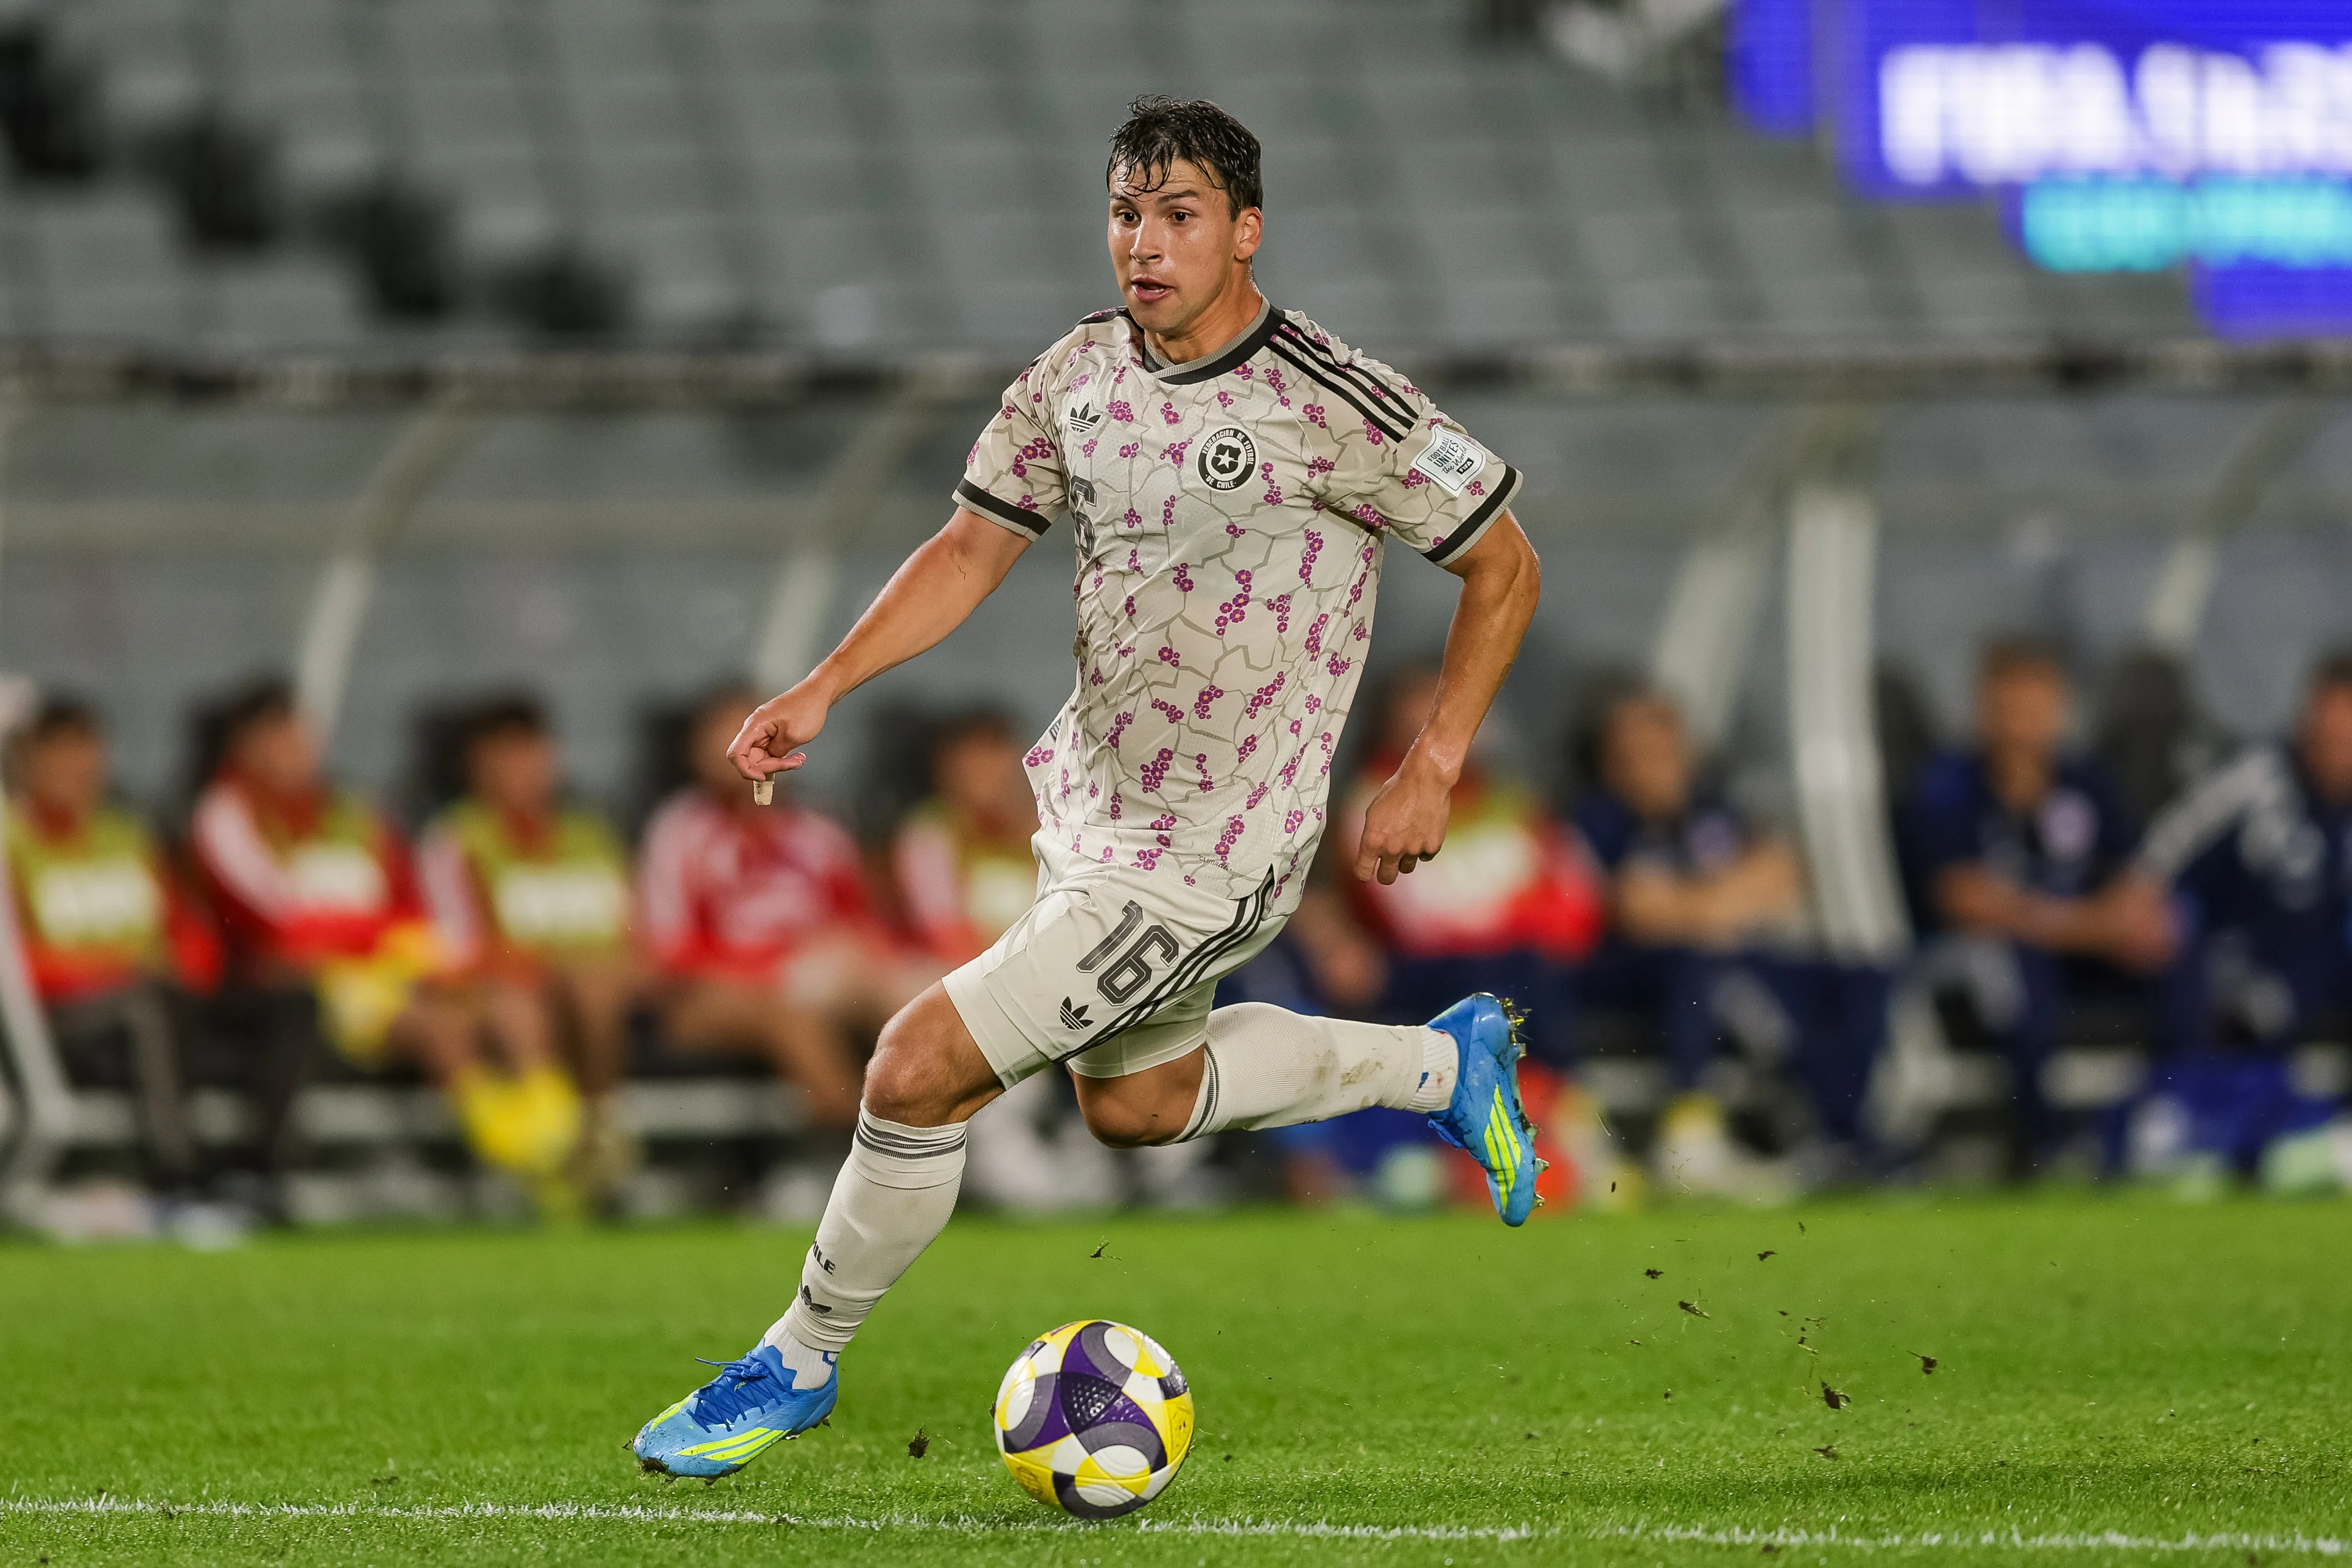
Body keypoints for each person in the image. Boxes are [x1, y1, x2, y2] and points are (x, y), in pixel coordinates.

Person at [630, 95, 1545, 1478]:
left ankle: (797, 1362)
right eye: (1125, 214)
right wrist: (822, 684)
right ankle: (1441, 1062)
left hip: (1215, 851)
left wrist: (1431, 767)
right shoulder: (1074, 375)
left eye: (1177, 215)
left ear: (1245, 232)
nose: (1143, 242)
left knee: (914, 1067)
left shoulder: (1328, 397)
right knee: (1132, 1105)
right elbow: (964, 548)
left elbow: (1504, 563)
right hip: (1095, 818)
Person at [190, 679, 580, 1198]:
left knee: (509, 1002)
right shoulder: (226, 814)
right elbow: (272, 921)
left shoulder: (356, 814)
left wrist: (409, 950)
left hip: (389, 969)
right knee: (440, 1029)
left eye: (299, 736)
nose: (296, 751)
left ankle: (557, 1132)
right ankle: (517, 1156)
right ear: (247, 747)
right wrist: (371, 934)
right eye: (279, 738)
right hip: (310, 986)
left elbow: (409, 907)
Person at [1573, 684, 1878, 1194]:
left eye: (1664, 749)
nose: (1654, 764)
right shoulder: (1599, 821)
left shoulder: (1712, 811)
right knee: (1701, 967)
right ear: (1611, 760)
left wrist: (1694, 907)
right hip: (1637, 973)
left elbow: (1783, 874)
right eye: (1638, 753)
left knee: (1861, 975)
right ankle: (1691, 1130)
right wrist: (1725, 903)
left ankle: (1852, 1137)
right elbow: (1633, 910)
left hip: (1736, 956)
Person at [1900, 640, 2171, 1170]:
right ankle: (2046, 1147)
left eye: (2037, 708)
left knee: (2173, 953)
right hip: (1967, 958)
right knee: (2019, 970)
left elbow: (2133, 878)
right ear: (1985, 710)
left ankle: (2171, 1126)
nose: (2024, 725)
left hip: (2077, 948)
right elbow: (1965, 899)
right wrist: (2087, 925)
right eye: (2011, 709)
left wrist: (2125, 922)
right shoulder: (1949, 784)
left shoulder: (2087, 781)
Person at [637, 684, 919, 1129]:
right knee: (790, 1017)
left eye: (761, 729)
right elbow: (671, 954)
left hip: (818, 978)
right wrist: (782, 969)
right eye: (729, 731)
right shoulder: (680, 830)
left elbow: (862, 925)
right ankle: (852, 1152)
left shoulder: (820, 828)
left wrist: (858, 957)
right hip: (708, 995)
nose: (748, 743)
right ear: (698, 749)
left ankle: (972, 1133)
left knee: (912, 993)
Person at [2123, 652, 2352, 1193]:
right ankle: (2193, 1137)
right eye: (2328, 728)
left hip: (2323, 962)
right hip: (2239, 955)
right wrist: (2138, 909)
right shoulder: (2255, 778)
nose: (2337, 747)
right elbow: (2159, 860)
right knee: (2233, 996)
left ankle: (2323, 1142)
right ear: (2307, 718)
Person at [419, 697, 640, 1200]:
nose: (521, 769)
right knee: (543, 998)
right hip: (515, 996)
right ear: (477, 766)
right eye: (505, 756)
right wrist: (550, 967)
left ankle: (587, 1137)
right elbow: (459, 946)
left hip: (605, 989)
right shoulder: (459, 841)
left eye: (531, 752)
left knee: (593, 984)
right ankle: (580, 1139)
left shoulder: (591, 836)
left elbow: (638, 932)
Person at [4, 698, 215, 1197]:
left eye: (87, 754)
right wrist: (113, 969)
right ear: (25, 760)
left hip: (146, 1003)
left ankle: (245, 1170)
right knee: (145, 1007)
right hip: (44, 1021)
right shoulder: (11, 840)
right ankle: (177, 1175)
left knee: (190, 1005)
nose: (76, 769)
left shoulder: (127, 836)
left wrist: (185, 967)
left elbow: (190, 936)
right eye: (59, 755)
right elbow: (12, 965)